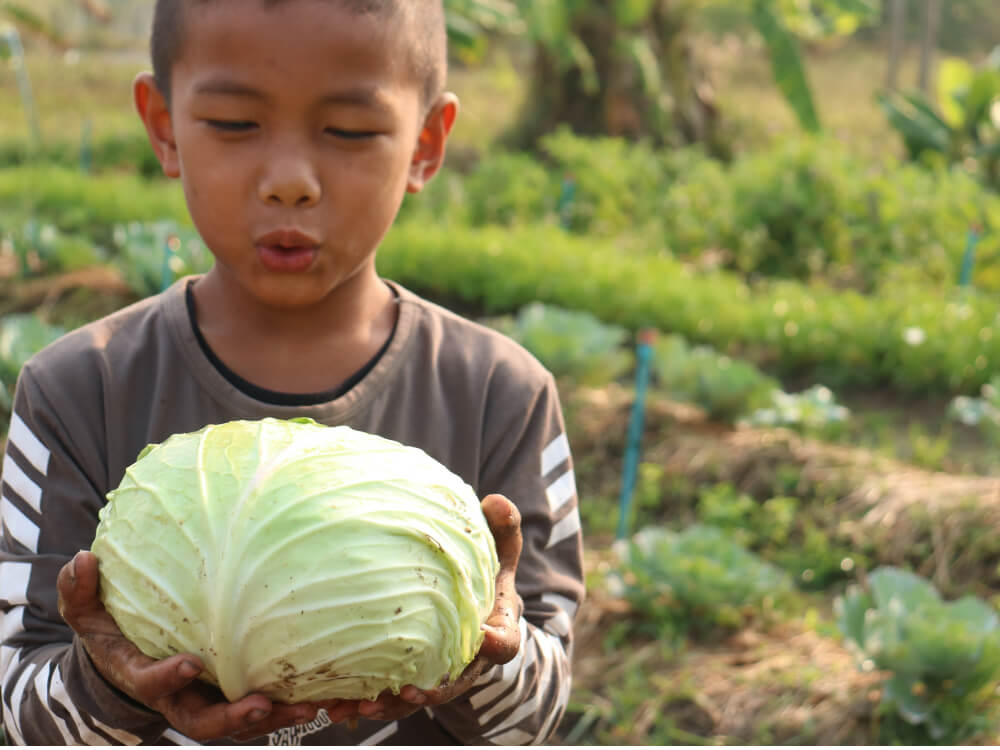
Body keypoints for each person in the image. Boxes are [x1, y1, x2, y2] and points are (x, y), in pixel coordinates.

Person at [0, 0, 585, 744]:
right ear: (163, 125)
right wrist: (111, 687)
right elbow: (18, 715)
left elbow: (537, 719)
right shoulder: (80, 391)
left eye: (348, 130)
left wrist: (487, 654)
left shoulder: (500, 396)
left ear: (427, 144)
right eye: (236, 123)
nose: (289, 181)